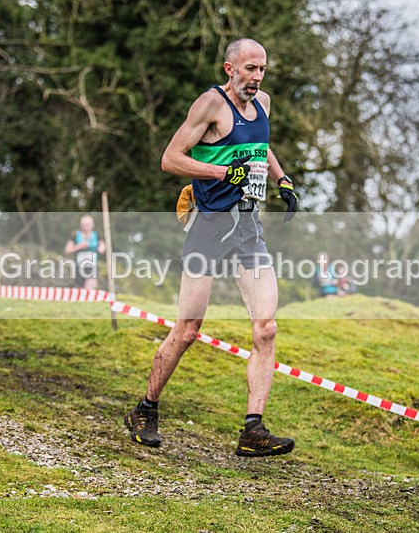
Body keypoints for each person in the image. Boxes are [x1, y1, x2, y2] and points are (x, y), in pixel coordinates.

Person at [124, 38, 299, 457]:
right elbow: (170, 158)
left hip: (247, 228)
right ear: (229, 69)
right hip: (208, 227)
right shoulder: (210, 104)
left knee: (266, 327)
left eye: (262, 70)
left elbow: (260, 146)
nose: (257, 77)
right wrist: (223, 172)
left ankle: (252, 430)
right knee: (188, 329)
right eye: (250, 69)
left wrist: (282, 179)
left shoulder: (264, 104)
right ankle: (145, 409)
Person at [64, 215, 106, 290]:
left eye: (87, 225)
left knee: (89, 290)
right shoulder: (76, 235)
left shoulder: (96, 235)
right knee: (80, 290)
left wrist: (101, 248)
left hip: (92, 267)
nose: (85, 226)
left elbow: (102, 246)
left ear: (92, 225)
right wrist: (79, 246)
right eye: (83, 225)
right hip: (79, 267)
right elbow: (67, 250)